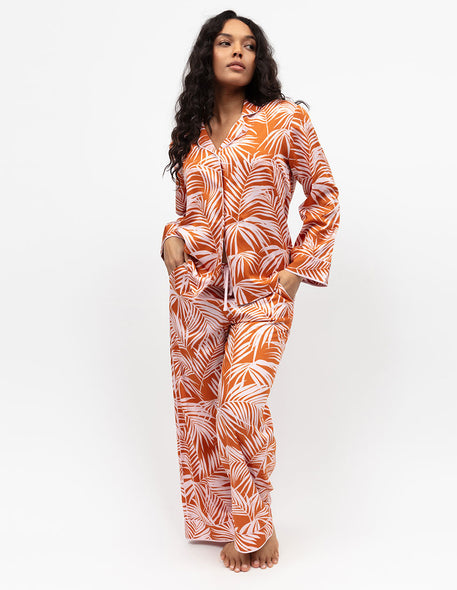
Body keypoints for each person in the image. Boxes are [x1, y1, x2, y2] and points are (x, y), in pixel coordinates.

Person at [160, 9, 340, 573]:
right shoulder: (190, 133)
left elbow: (324, 196)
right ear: (207, 55)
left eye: (248, 45)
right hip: (198, 293)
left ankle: (256, 524)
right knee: (201, 411)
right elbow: (186, 212)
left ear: (258, 59)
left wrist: (298, 269)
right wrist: (170, 238)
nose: (237, 51)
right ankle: (225, 521)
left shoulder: (284, 120)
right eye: (225, 42)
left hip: (263, 291)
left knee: (241, 404)